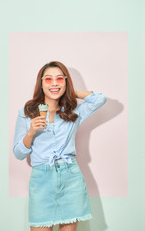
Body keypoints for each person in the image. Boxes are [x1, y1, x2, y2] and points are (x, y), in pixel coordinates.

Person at [13, 61, 107, 231]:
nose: (54, 83)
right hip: (42, 180)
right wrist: (31, 132)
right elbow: (18, 154)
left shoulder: (74, 112)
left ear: (66, 81)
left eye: (59, 79)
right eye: (48, 79)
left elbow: (100, 99)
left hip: (71, 178)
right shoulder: (26, 113)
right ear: (41, 83)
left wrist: (70, 92)